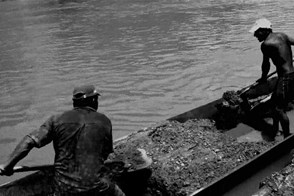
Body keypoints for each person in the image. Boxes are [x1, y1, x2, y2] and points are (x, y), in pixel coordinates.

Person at [0, 84, 125, 196]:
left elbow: (29, 141)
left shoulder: (57, 120)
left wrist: (7, 166)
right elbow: (105, 153)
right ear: (93, 100)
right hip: (94, 187)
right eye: (96, 98)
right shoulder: (104, 121)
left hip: (63, 188)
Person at [249, 18, 294, 140]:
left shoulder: (266, 45)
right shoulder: (282, 36)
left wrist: (263, 79)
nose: (255, 35)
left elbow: (266, 65)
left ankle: (287, 137)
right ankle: (275, 129)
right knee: (275, 102)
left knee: (279, 109)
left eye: (257, 32)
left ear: (264, 30)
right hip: (292, 75)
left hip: (285, 78)